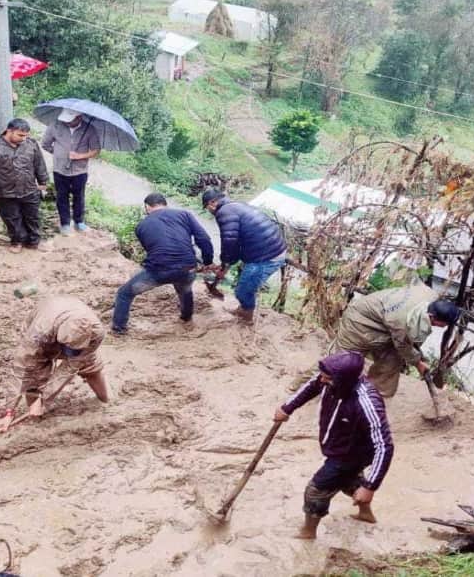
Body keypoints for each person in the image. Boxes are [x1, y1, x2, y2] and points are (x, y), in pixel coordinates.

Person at [273, 351, 393, 541]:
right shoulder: (330, 377)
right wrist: (287, 408)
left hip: (352, 453)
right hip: (340, 445)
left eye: (327, 379)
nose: (322, 380)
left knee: (316, 490)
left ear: (344, 380)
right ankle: (365, 514)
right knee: (348, 481)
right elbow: (311, 386)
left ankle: (308, 532)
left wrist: (371, 487)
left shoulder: (367, 403)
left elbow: (384, 446)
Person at [111, 193, 214, 335]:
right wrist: (207, 261)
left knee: (124, 293)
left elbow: (152, 250)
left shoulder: (141, 226)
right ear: (165, 204)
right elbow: (204, 239)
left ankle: (118, 329)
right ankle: (187, 318)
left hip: (159, 270)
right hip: (187, 267)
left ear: (147, 207)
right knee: (184, 289)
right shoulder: (185, 215)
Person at [335, 284, 461, 398]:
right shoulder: (400, 322)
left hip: (385, 326)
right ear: (433, 317)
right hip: (358, 322)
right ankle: (332, 390)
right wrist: (418, 363)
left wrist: (417, 354)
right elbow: (403, 346)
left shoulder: (430, 296)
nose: (444, 327)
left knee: (393, 360)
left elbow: (408, 340)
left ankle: (373, 395)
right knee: (344, 364)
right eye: (443, 324)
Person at [7, 296, 109, 421]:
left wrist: (45, 398)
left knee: (91, 366)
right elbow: (21, 368)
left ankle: (105, 400)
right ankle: (35, 413)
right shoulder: (38, 333)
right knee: (33, 373)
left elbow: (68, 369)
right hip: (45, 326)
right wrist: (9, 411)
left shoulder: (96, 333)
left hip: (67, 315)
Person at [202, 188, 287, 324]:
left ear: (212, 203)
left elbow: (229, 241)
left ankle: (246, 317)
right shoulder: (237, 205)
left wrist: (225, 263)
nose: (209, 211)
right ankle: (244, 309)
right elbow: (235, 243)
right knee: (245, 287)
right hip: (268, 251)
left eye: (207, 208)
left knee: (243, 291)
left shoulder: (224, 212)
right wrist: (225, 266)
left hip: (266, 257)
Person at [0, 118, 49, 253]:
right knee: (12, 218)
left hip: (29, 188)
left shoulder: (31, 144)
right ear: (9, 131)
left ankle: (34, 241)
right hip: (4, 191)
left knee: (33, 217)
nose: (24, 138)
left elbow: (39, 163)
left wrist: (43, 181)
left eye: (26, 135)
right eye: (20, 135)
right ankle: (17, 241)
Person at [41, 109, 101, 235]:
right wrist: (58, 154)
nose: (67, 123)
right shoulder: (55, 125)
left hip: (80, 171)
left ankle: (79, 221)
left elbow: (95, 150)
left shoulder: (90, 129)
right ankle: (65, 223)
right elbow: (45, 144)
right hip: (60, 169)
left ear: (79, 117)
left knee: (79, 196)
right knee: (61, 196)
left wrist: (79, 156)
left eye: (70, 120)